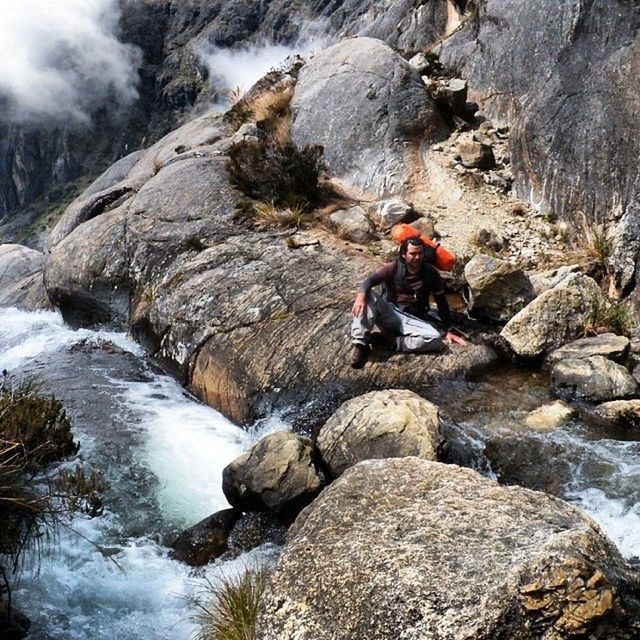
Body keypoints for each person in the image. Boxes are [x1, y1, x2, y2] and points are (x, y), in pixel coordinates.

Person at [350, 236, 468, 368]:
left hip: (413, 319)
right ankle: (361, 345)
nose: (417, 257)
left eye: (420, 253)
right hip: (392, 313)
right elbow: (369, 282)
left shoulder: (431, 273)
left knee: (434, 338)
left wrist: (448, 329)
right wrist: (360, 297)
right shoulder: (393, 267)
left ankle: (392, 342)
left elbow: (441, 301)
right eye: (413, 254)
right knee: (368, 295)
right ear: (404, 254)